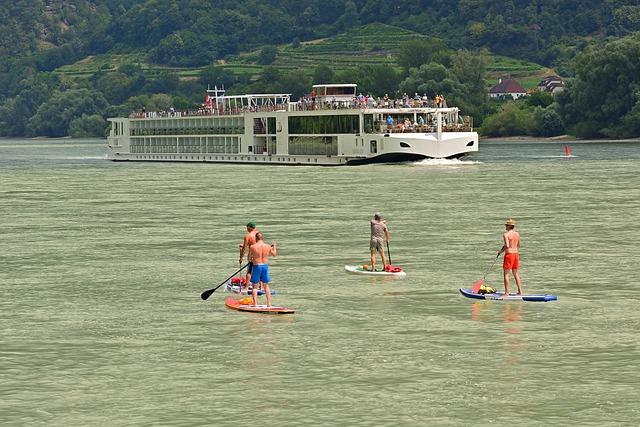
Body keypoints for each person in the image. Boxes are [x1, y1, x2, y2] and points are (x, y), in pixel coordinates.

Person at [249, 232, 277, 306]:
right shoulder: (268, 246)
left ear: (256, 238)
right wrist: (274, 246)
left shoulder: (252, 246)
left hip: (256, 266)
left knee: (255, 286)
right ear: (263, 238)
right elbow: (274, 254)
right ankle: (269, 304)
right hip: (265, 266)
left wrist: (252, 258)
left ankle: (255, 304)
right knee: (266, 285)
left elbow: (249, 259)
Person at [498, 218, 523, 296]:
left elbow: (507, 245)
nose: (505, 226)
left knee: (506, 274)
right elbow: (519, 245)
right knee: (516, 273)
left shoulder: (506, 234)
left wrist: (500, 251)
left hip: (509, 255)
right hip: (516, 254)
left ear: (509, 226)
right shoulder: (517, 234)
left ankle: (506, 293)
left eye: (506, 225)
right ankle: (520, 291)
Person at [239, 222, 258, 291]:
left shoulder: (247, 236)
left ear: (249, 227)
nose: (246, 229)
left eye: (247, 227)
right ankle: (261, 287)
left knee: (249, 271)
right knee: (258, 270)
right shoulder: (258, 234)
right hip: (260, 255)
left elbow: (244, 248)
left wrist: (241, 258)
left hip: (252, 256)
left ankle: (246, 287)